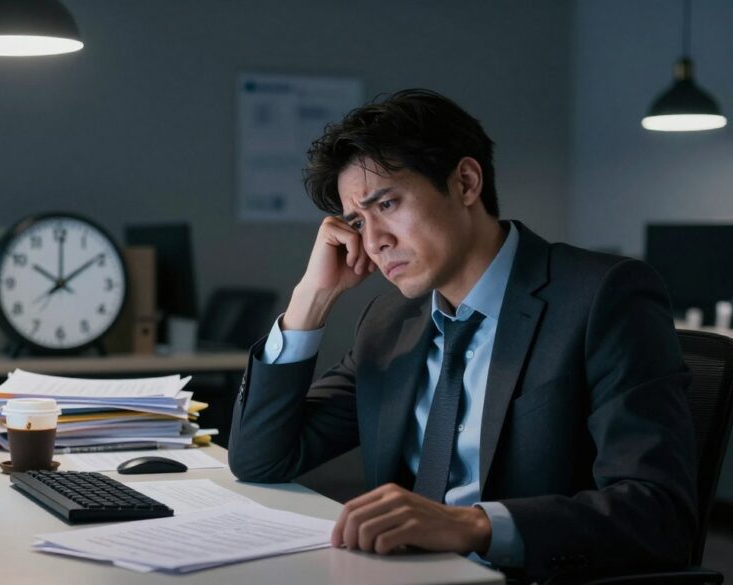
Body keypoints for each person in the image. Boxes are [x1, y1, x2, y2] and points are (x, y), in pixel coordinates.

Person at [227, 89, 697, 582]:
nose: (374, 240)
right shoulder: (389, 324)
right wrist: (311, 298)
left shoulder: (602, 296)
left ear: (466, 182)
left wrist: (474, 526)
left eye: (386, 204)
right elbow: (262, 459)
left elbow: (660, 514)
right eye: (359, 222)